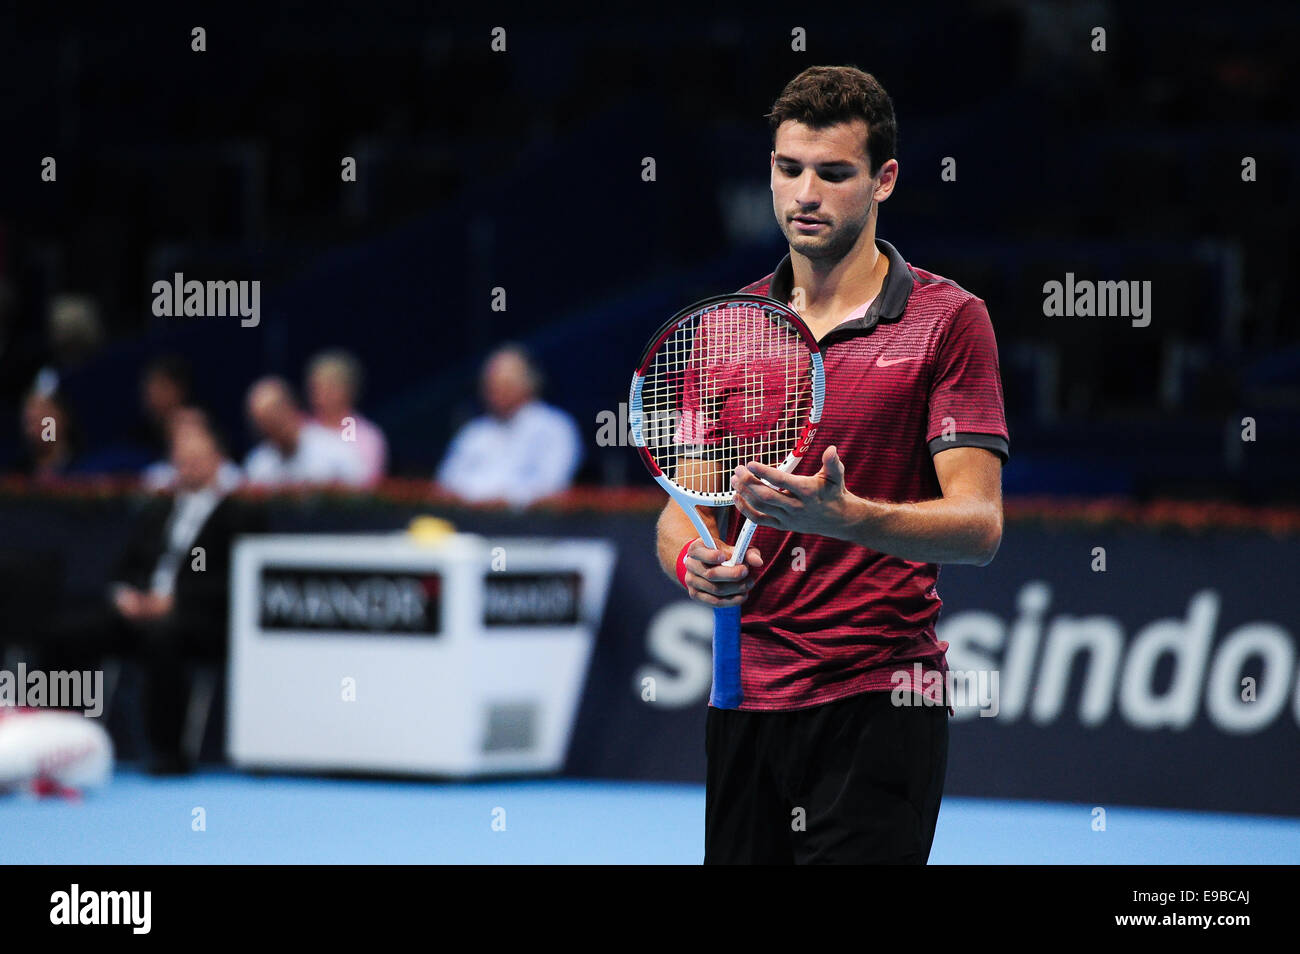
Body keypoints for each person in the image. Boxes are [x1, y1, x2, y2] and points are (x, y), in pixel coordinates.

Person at [655, 66, 1009, 864]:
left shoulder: (950, 322)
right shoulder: (728, 328)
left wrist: (847, 519)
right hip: (742, 696)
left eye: (833, 173)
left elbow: (979, 526)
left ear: (883, 179)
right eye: (788, 170)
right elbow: (683, 505)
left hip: (879, 702)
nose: (805, 193)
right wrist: (691, 559)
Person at [33, 420, 264, 773]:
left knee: (163, 637)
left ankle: (167, 753)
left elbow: (237, 580)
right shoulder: (159, 510)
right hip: (140, 612)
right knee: (65, 633)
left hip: (200, 621)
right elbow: (124, 567)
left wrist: (177, 601)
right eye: (181, 460)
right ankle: (54, 742)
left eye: (196, 459)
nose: (187, 467)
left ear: (217, 459)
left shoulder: (240, 513)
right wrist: (126, 596)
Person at [435, 344, 581, 507]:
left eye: (505, 384)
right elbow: (446, 483)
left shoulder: (556, 427)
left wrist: (506, 500)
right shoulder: (475, 432)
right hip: (470, 521)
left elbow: (553, 486)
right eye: (491, 385)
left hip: (530, 526)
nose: (496, 392)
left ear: (529, 384)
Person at [242, 376, 366, 487]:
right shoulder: (258, 466)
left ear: (291, 407)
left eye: (276, 415)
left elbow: (362, 495)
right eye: (265, 422)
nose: (274, 426)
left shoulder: (335, 450)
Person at [305, 349, 387, 486]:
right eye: (316, 386)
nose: (321, 392)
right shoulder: (299, 430)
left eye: (330, 386)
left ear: (349, 389)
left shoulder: (368, 437)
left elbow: (367, 485)